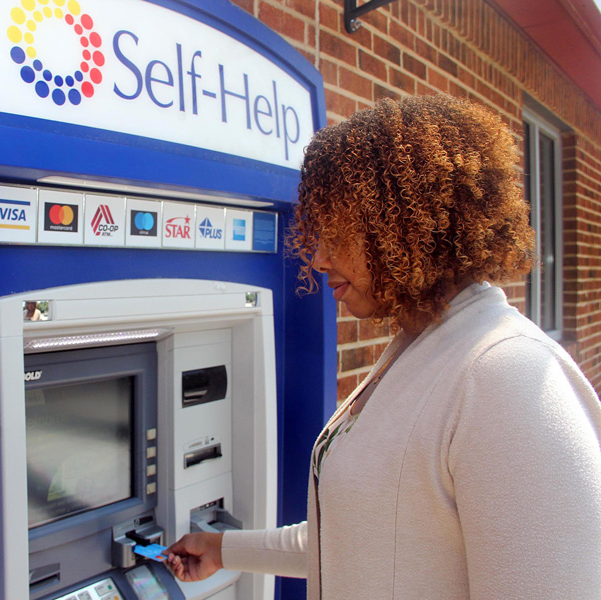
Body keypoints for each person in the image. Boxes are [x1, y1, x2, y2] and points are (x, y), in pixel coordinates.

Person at [164, 95, 601, 599]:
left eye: (338, 232)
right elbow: (364, 538)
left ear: (402, 227)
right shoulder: (421, 348)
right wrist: (223, 549)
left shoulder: (511, 377)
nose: (321, 258)